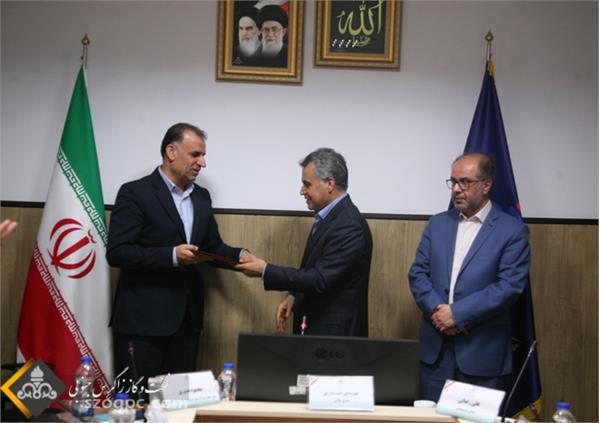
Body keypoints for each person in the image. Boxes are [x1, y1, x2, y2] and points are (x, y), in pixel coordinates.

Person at [106, 123, 248, 396]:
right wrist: (172, 255)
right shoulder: (135, 192)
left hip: (186, 326)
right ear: (171, 152)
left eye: (203, 155)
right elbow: (118, 252)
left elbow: (211, 248)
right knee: (136, 405)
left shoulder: (202, 197)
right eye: (195, 154)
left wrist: (240, 257)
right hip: (142, 326)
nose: (202, 163)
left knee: (177, 407)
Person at [408, 153, 530, 401]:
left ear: (486, 185)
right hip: (436, 354)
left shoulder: (512, 230)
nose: (456, 189)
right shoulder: (437, 223)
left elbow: (509, 287)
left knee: (476, 419)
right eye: (453, 182)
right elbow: (418, 273)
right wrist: (438, 311)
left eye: (464, 182)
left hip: (482, 355)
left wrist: (457, 314)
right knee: (430, 418)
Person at [236, 148, 372, 336]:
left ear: (330, 184)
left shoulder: (348, 225)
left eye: (307, 184)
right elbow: (315, 270)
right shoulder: (329, 217)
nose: (301, 191)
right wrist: (294, 296)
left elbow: (320, 279)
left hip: (336, 340)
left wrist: (265, 270)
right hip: (320, 333)